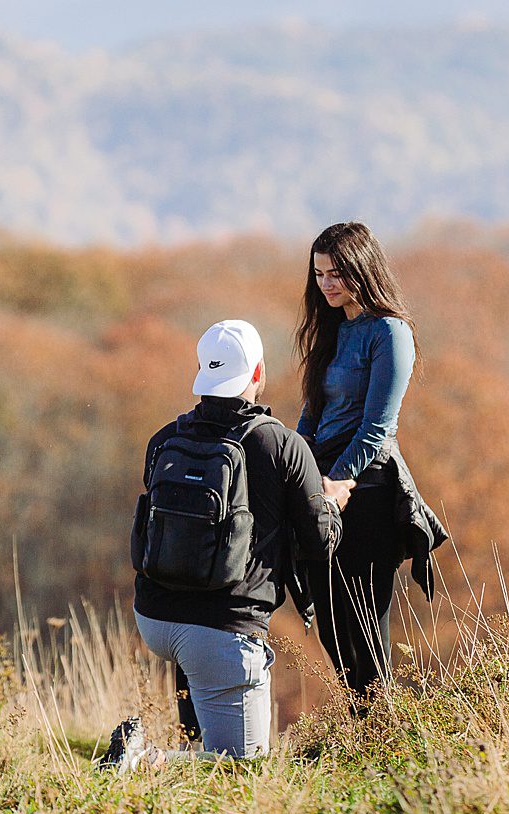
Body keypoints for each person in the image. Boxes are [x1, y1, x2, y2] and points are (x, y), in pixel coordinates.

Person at [98, 318, 341, 770]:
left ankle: (175, 771)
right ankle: (143, 760)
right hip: (223, 628)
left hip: (155, 617)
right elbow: (319, 542)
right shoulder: (282, 445)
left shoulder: (165, 439)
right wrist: (332, 502)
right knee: (245, 768)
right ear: (258, 373)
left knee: (205, 745)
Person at [293, 222, 444, 703]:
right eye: (319, 275)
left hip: (369, 491)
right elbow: (312, 413)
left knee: (364, 625)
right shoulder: (332, 331)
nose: (327, 284)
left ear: (364, 267)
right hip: (321, 488)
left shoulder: (389, 332)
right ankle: (366, 728)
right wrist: (295, 468)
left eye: (337, 273)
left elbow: (377, 427)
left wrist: (338, 483)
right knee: (332, 629)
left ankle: (386, 737)